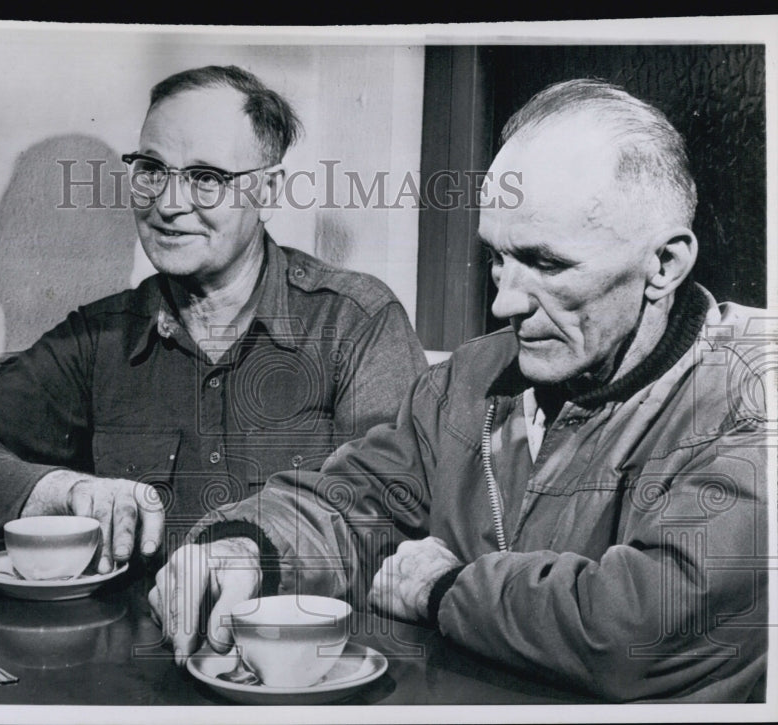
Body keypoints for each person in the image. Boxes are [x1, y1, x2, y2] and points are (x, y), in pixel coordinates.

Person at [148, 79, 769, 702]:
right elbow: (352, 501)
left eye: (547, 264)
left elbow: (638, 627)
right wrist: (247, 547)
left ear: (664, 265)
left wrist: (444, 590)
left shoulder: (750, 397)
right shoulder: (470, 379)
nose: (505, 300)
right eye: (497, 257)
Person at [0, 65, 428, 574]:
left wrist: (250, 549)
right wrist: (60, 490)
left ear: (266, 193)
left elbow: (391, 499)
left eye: (206, 178)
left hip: (290, 643)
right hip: (127, 644)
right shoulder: (99, 338)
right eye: (152, 170)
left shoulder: (356, 322)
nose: (168, 204)